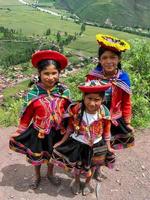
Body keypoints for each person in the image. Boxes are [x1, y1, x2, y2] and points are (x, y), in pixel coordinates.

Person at [9, 50, 71, 189]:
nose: (50, 77)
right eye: (46, 73)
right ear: (39, 74)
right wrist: (19, 131)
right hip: (39, 132)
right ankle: (37, 175)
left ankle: (50, 173)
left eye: (54, 73)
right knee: (36, 156)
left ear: (59, 73)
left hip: (57, 132)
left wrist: (71, 129)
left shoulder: (64, 92)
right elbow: (26, 116)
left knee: (51, 155)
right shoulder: (33, 93)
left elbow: (69, 113)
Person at [50, 80, 115, 196]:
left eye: (97, 100)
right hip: (78, 143)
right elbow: (70, 127)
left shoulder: (104, 112)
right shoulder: (76, 109)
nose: (92, 103)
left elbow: (106, 131)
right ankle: (76, 181)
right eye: (89, 98)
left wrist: (109, 146)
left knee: (92, 167)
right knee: (78, 167)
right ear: (84, 97)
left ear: (102, 99)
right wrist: (62, 141)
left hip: (97, 145)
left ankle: (87, 183)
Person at [86, 34, 135, 181]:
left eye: (113, 57)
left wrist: (127, 122)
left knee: (106, 147)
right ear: (100, 60)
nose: (108, 61)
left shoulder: (123, 78)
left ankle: (98, 169)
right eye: (104, 58)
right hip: (95, 118)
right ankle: (89, 169)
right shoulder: (92, 77)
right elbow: (86, 98)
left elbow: (126, 101)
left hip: (114, 119)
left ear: (119, 59)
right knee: (92, 145)